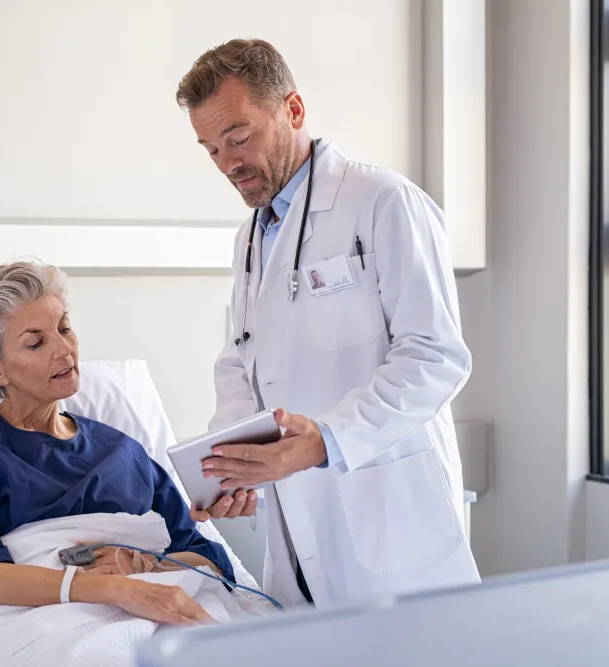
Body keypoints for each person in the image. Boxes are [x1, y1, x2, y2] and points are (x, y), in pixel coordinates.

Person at [175, 39, 480, 609]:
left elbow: (434, 356)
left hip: (388, 512)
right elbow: (241, 363)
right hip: (297, 529)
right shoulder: (251, 238)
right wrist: (237, 465)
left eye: (239, 138)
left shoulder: (384, 203)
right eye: (211, 149)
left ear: (292, 110)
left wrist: (330, 441)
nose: (228, 163)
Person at [0, 261, 238, 626]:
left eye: (65, 328)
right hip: (42, 621)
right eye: (36, 342)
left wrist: (142, 564)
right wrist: (114, 589)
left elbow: (209, 561)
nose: (64, 350)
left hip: (162, 608)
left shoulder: (123, 452)